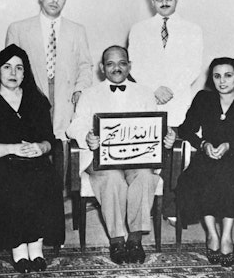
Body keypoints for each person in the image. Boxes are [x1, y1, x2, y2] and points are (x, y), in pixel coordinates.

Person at [66, 46, 176, 265]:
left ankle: (135, 240)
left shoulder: (144, 93)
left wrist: (167, 137)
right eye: (110, 63)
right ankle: (117, 240)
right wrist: (87, 137)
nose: (116, 68)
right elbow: (75, 126)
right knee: (112, 178)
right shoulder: (89, 94)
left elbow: (154, 127)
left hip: (136, 158)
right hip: (101, 159)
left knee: (145, 176)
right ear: (101, 68)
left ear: (129, 66)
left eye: (122, 63)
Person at [0, 44, 65, 273]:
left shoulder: (36, 100)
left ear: (25, 73)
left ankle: (36, 247)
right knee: (11, 183)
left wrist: (41, 147)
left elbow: (49, 139)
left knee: (45, 178)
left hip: (34, 161)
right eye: (7, 67)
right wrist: (12, 148)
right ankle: (19, 249)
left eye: (19, 68)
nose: (13, 73)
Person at [176, 57, 234, 267]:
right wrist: (203, 145)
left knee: (227, 177)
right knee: (197, 178)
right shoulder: (203, 99)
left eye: (228, 75)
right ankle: (212, 234)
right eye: (217, 76)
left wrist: (230, 145)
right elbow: (185, 129)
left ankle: (227, 235)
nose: (222, 81)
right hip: (207, 156)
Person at [127, 0, 204, 218]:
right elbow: (134, 66)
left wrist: (170, 88)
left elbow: (194, 65)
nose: (164, 2)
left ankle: (171, 208)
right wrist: (154, 89)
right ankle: (145, 207)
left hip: (178, 99)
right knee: (148, 152)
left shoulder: (192, 29)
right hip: (149, 99)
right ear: (152, 0)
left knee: (174, 155)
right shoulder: (139, 29)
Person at [6, 0, 93, 141]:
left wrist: (79, 90)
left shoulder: (77, 30)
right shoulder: (18, 29)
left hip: (65, 100)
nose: (55, 0)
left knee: (63, 151)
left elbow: (85, 66)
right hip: (31, 98)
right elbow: (10, 70)